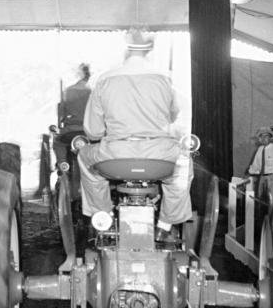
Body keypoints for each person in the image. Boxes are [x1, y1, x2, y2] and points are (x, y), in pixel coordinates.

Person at [77, 28, 192, 229]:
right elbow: (174, 116)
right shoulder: (165, 79)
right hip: (159, 155)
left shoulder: (105, 80)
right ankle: (166, 224)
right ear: (149, 50)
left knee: (84, 160)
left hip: (115, 155)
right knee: (183, 169)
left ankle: (104, 216)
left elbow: (93, 132)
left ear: (125, 50)